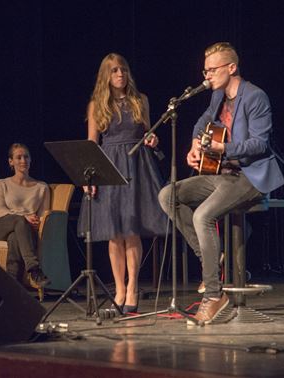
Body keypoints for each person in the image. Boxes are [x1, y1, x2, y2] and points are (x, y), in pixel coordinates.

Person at [158, 42, 284, 325]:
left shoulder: (255, 97)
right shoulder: (217, 96)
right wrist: (194, 143)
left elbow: (259, 144)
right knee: (168, 194)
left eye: (212, 70)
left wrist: (220, 149)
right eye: (205, 71)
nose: (207, 76)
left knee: (203, 214)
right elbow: (203, 121)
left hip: (249, 176)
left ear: (232, 67)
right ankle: (209, 260)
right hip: (222, 174)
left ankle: (214, 296)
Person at [77, 53, 167, 314]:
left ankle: (133, 288)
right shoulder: (97, 105)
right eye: (115, 71)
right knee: (113, 231)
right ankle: (118, 287)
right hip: (109, 166)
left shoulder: (141, 101)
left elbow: (147, 131)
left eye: (124, 70)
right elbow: (92, 142)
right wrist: (88, 176)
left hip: (137, 164)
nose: (120, 75)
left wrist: (152, 138)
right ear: (106, 75)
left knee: (131, 229)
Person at [0, 143, 51, 289]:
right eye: (19, 157)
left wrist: (37, 221)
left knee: (15, 238)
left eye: (26, 157)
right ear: (11, 161)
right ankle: (34, 269)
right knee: (19, 221)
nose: (23, 160)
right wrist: (24, 217)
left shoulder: (41, 187)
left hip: (25, 231)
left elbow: (43, 214)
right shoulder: (1, 184)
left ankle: (12, 284)